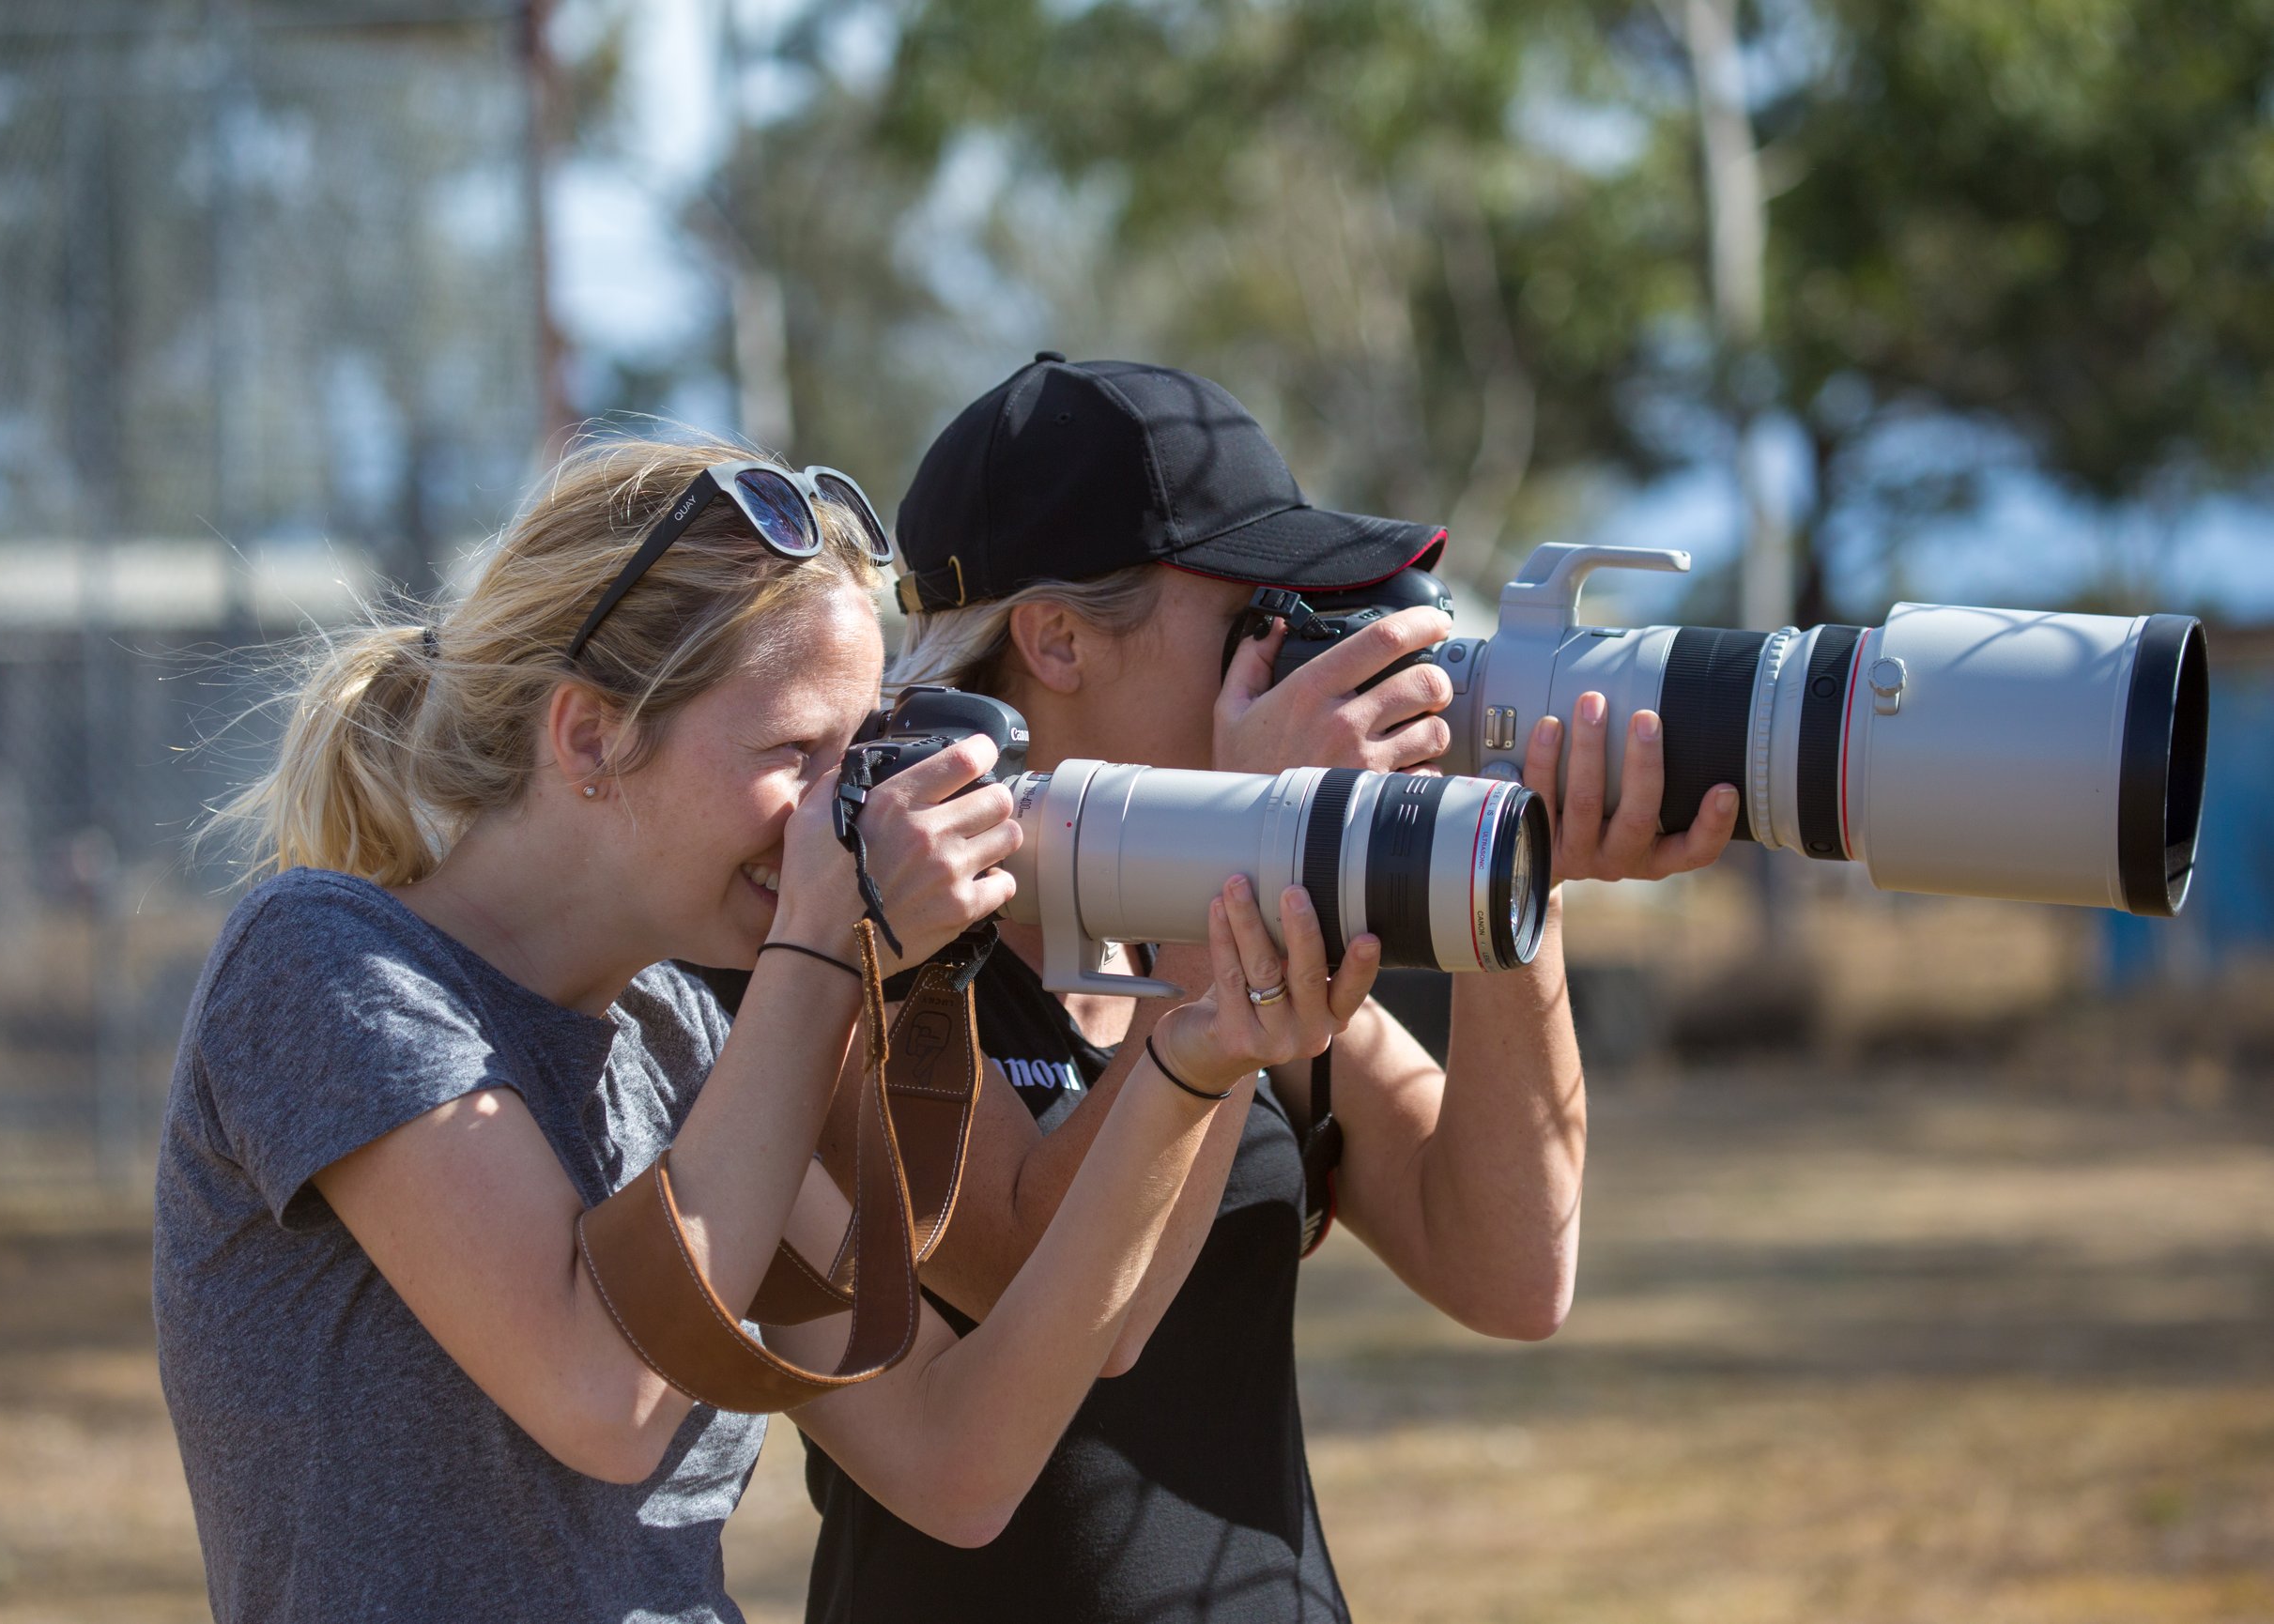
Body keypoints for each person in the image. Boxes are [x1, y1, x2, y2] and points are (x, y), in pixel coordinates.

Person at [152, 433, 1379, 1624]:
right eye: (797, 751)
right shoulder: (329, 963)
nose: (844, 811)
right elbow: (605, 1389)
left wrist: (1197, 1059)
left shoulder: (687, 1035)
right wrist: (816, 951)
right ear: (590, 736)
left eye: (861, 752)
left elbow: (960, 1458)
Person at [801, 357, 1742, 1621]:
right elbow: (1067, 1292)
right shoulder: (870, 946)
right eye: (1253, 619)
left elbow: (1515, 1272)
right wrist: (1233, 874)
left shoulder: (1239, 926)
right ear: (1058, 638)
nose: (1299, 658)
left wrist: (1519, 877)